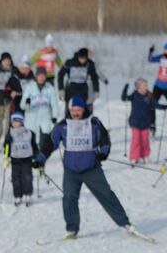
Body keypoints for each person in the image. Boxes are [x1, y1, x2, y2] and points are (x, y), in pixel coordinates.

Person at [35, 96, 137, 239]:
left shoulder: (93, 123)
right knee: (69, 197)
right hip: (71, 171)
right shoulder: (62, 126)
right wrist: (40, 159)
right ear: (69, 110)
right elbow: (50, 144)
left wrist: (102, 153)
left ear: (84, 109)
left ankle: (125, 223)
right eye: (73, 110)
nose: (76, 113)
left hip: (91, 168)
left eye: (79, 110)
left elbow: (104, 140)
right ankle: (72, 229)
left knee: (106, 194)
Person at [3, 112, 37, 206]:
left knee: (27, 177)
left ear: (22, 122)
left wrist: (36, 156)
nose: (15, 124)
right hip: (15, 158)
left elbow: (33, 145)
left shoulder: (28, 132)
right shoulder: (10, 133)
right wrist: (7, 151)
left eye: (18, 122)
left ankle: (28, 193)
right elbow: (6, 145)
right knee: (16, 178)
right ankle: (17, 195)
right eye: (14, 122)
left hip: (27, 157)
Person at [21, 66, 61, 139]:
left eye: (43, 76)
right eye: (39, 75)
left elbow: (54, 103)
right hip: (31, 117)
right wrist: (26, 102)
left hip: (45, 117)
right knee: (31, 139)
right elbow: (22, 105)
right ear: (36, 76)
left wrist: (55, 116)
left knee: (44, 139)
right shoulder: (30, 87)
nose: (41, 78)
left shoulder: (50, 88)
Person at [121, 79, 155, 164]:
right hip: (135, 122)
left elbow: (155, 104)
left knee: (145, 141)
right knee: (136, 141)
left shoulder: (149, 95)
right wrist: (125, 89)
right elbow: (124, 98)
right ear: (138, 87)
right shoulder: (134, 95)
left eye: (146, 86)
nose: (146, 87)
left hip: (145, 122)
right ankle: (134, 157)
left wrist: (164, 107)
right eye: (144, 86)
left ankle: (145, 155)